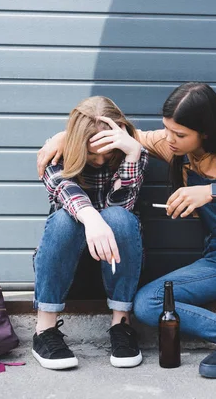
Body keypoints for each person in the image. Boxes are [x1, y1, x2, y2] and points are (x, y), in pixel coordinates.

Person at [37, 83, 216, 378]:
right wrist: (64, 138)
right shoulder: (173, 145)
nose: (169, 139)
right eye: (167, 130)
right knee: (150, 304)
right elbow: (124, 138)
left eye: (179, 134)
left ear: (205, 133)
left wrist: (213, 192)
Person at [33, 96, 148, 370]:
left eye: (106, 152)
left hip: (117, 270)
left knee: (119, 217)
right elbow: (63, 190)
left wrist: (132, 155)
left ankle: (122, 324)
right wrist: (91, 218)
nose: (99, 160)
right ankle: (44, 329)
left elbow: (123, 205)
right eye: (91, 153)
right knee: (65, 220)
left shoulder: (131, 151)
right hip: (64, 275)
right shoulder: (57, 152)